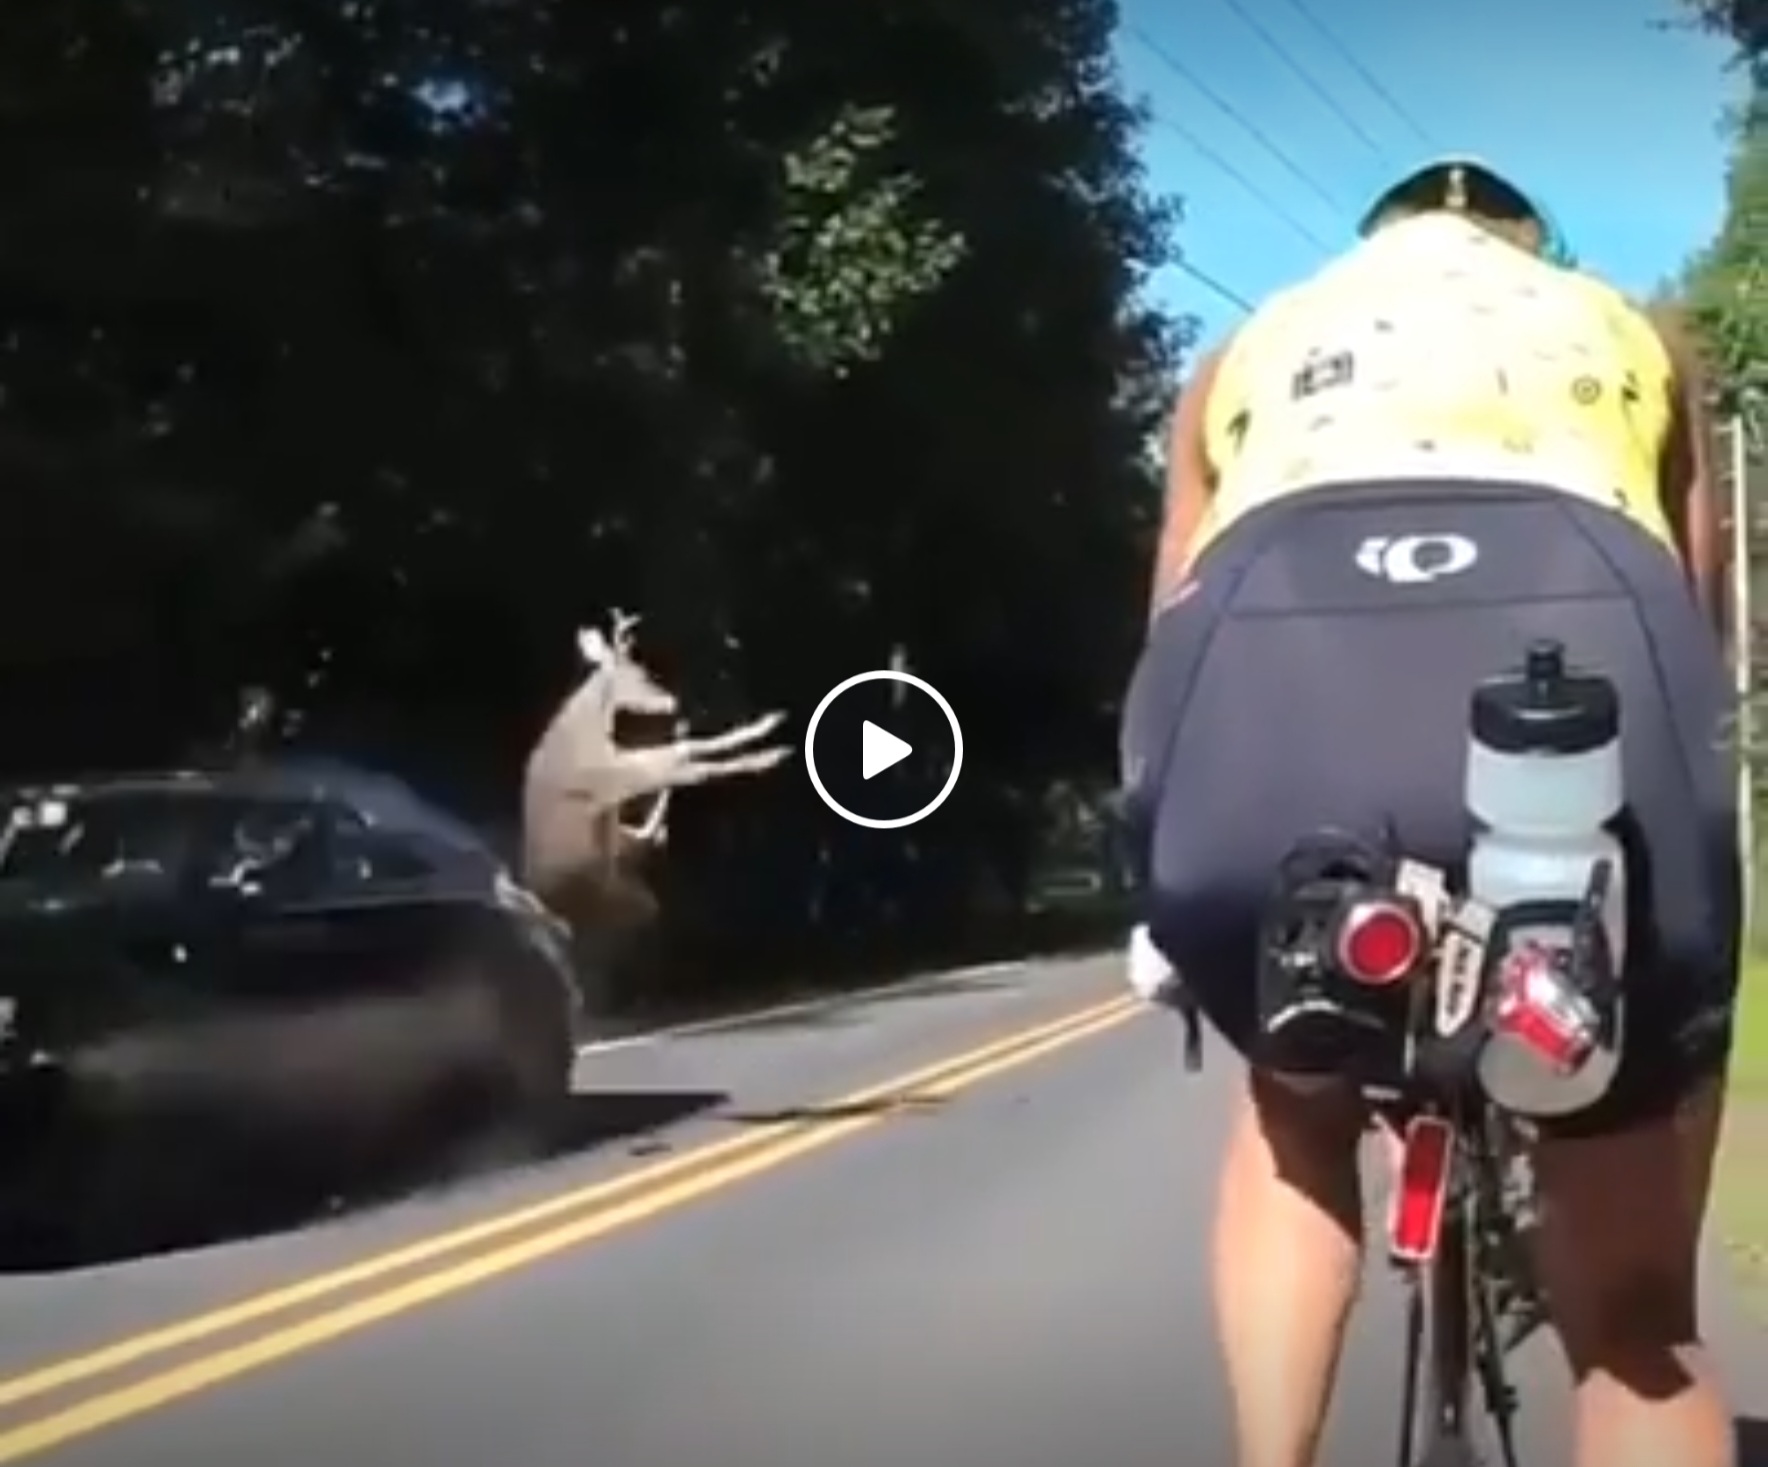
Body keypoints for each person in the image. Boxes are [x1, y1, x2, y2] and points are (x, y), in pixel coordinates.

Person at [1119, 156, 1739, 1467]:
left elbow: (1170, 610)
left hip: (1269, 708)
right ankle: (1621, 1308)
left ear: (1372, 250)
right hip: (1580, 696)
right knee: (1633, 1310)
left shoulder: (1251, 346)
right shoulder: (1636, 336)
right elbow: (1697, 607)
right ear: (1536, 250)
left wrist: (1166, 855)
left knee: (1297, 1112)